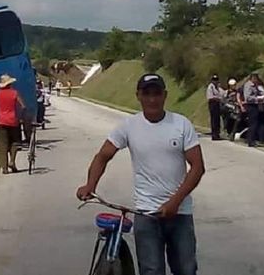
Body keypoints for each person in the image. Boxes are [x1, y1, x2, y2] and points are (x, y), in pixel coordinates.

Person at [77, 73, 205, 275]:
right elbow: (103, 156)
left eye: (157, 93)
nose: (152, 99)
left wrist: (174, 202)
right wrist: (90, 185)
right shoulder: (128, 126)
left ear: (165, 95)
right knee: (151, 270)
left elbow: (197, 167)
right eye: (147, 94)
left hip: (180, 215)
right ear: (138, 96)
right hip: (146, 215)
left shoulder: (181, 124)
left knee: (186, 269)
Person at [0, 74, 26, 173]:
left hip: (1, 121)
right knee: (15, 142)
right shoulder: (14, 93)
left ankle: (4, 168)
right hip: (12, 120)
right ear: (10, 84)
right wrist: (21, 117)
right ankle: (12, 161)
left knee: (3, 145)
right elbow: (23, 106)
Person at [242, 73, 264, 147]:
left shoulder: (255, 86)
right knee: (253, 124)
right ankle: (250, 141)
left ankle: (252, 139)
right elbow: (248, 97)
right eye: (256, 79)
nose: (257, 80)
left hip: (255, 105)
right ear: (253, 78)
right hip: (251, 105)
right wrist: (258, 98)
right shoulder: (248, 85)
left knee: (254, 124)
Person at [205, 75, 224, 141]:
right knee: (214, 119)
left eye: (216, 80)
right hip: (213, 104)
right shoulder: (210, 87)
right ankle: (214, 135)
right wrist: (217, 98)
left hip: (218, 104)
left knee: (217, 119)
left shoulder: (218, 88)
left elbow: (222, 94)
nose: (215, 81)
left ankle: (217, 134)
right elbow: (210, 97)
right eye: (214, 80)